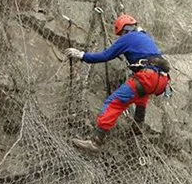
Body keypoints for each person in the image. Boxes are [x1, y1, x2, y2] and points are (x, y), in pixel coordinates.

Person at [65, 14, 170, 152]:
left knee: (114, 102)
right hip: (162, 80)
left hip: (148, 76)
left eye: (120, 34)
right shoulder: (145, 37)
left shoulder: (128, 38)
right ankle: (137, 125)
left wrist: (82, 55)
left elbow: (105, 56)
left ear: (125, 30)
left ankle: (96, 141)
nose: (120, 37)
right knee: (141, 92)